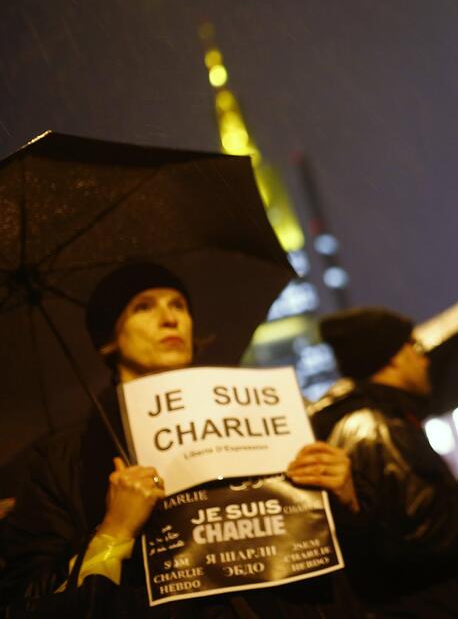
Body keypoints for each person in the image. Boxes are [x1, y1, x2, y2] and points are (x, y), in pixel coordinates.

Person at [0, 262, 363, 617]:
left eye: (178, 305)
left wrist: (345, 503)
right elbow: (30, 594)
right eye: (143, 307)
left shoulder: (259, 413)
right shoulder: (64, 459)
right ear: (109, 339)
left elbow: (363, 567)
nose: (170, 319)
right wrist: (112, 532)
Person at [311, 307, 458, 619]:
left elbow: (412, 508)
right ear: (392, 357)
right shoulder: (375, 429)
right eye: (414, 347)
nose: (425, 359)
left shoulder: (389, 421)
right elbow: (422, 528)